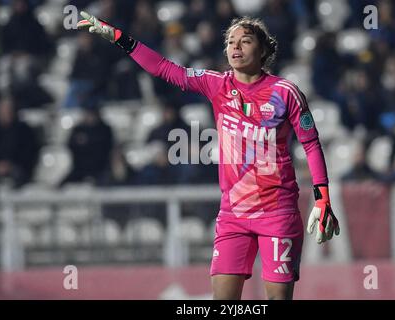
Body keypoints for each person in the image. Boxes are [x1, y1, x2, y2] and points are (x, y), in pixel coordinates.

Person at [76, 12, 340, 300]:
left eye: (245, 41)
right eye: (230, 41)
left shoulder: (285, 92)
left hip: (276, 213)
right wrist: (119, 38)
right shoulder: (217, 84)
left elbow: (312, 144)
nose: (235, 46)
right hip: (232, 215)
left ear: (263, 50)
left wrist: (322, 197)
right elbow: (164, 68)